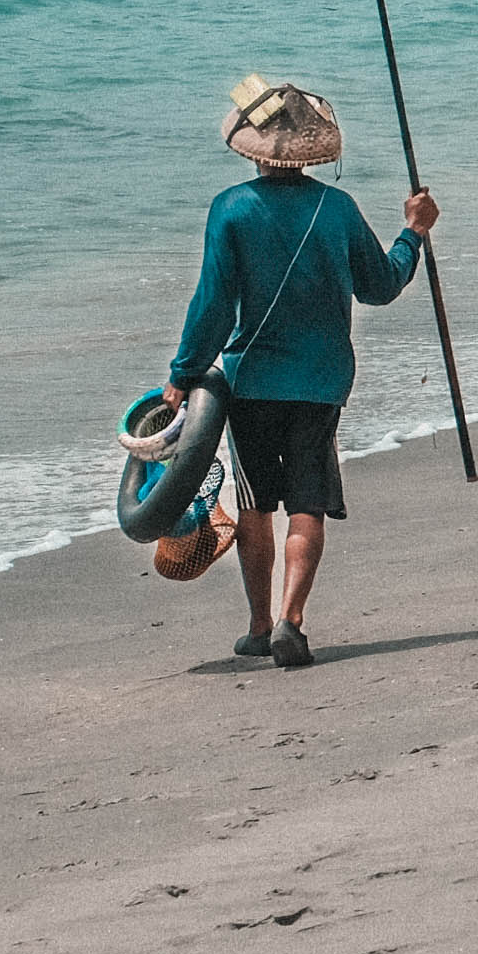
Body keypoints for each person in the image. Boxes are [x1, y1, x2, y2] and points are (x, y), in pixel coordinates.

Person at [161, 76, 438, 669]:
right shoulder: (337, 209)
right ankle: (292, 619)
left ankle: (260, 626)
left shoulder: (230, 209)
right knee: (306, 504)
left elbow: (212, 306)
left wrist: (183, 373)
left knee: (257, 504)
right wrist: (413, 233)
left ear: (253, 149)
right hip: (321, 382)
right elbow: (381, 285)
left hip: (250, 383)